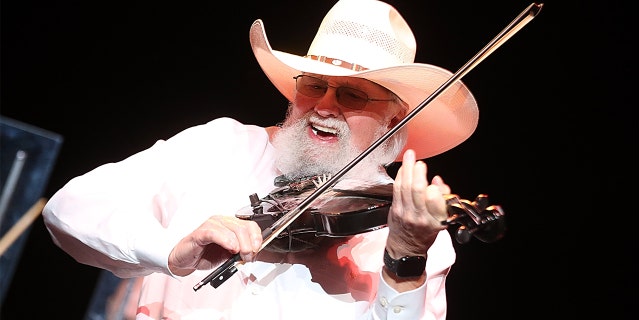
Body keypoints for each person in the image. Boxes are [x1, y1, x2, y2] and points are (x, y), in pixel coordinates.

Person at [42, 0, 480, 319]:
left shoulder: (410, 228)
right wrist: (171, 252)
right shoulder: (221, 145)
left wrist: (403, 257)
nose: (324, 106)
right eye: (313, 85)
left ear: (393, 118)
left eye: (350, 94)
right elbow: (69, 208)